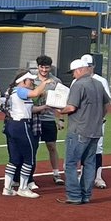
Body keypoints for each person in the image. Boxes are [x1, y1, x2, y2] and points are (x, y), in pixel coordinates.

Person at [57, 58, 110, 205]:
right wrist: (99, 117)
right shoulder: (99, 84)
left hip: (79, 129)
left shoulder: (78, 84)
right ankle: (86, 195)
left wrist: (58, 109)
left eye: (74, 72)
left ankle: (74, 195)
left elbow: (71, 107)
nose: (73, 75)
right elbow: (107, 103)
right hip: (95, 130)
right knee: (89, 163)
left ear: (79, 70)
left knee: (71, 163)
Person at [2, 70, 49, 199]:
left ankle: (7, 188)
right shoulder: (21, 90)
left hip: (12, 125)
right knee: (29, 157)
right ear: (23, 81)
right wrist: (44, 83)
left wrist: (44, 107)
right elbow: (35, 93)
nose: (32, 82)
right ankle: (23, 188)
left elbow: (29, 108)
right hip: (21, 125)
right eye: (30, 81)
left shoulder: (14, 92)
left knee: (14, 159)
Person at [82, 53, 111, 189]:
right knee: (82, 147)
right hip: (82, 122)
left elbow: (107, 102)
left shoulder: (101, 81)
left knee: (98, 148)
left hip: (97, 121)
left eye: (88, 66)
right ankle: (83, 174)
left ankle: (98, 176)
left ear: (93, 66)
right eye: (84, 66)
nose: (86, 68)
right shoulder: (77, 80)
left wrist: (100, 117)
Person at [34, 56, 64, 186]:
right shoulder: (31, 80)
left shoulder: (56, 82)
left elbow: (62, 102)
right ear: (38, 67)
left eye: (46, 67)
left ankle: (56, 173)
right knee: (33, 147)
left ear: (50, 67)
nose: (44, 70)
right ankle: (29, 175)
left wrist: (61, 119)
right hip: (34, 118)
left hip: (49, 119)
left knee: (51, 146)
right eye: (42, 67)